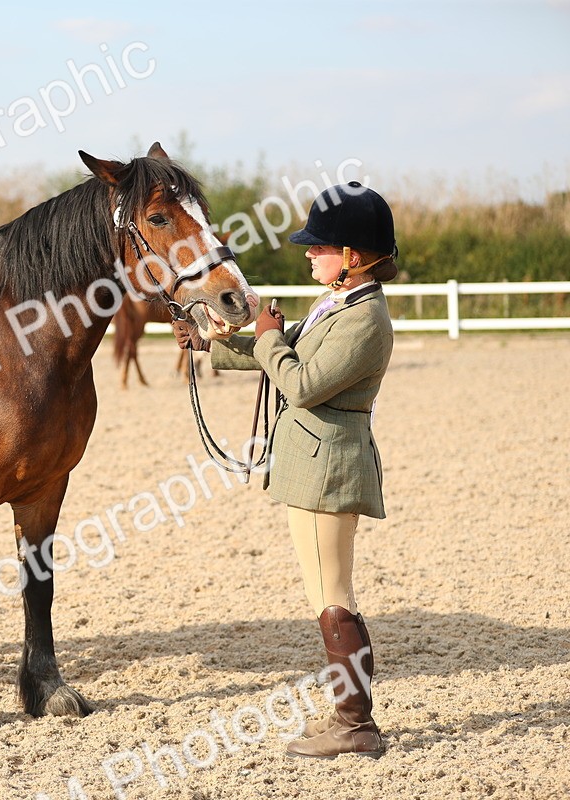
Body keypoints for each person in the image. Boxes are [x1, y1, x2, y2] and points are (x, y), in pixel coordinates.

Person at [175, 181, 398, 759]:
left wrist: (271, 337)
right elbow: (276, 349)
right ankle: (347, 715)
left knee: (335, 597)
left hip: (330, 470)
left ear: (353, 255)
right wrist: (204, 342)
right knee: (326, 595)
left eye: (320, 247)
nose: (309, 253)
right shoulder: (338, 303)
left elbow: (299, 382)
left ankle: (356, 725)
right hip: (311, 466)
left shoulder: (366, 318)